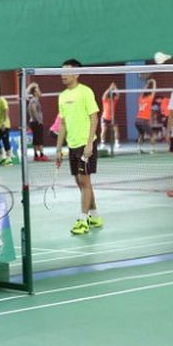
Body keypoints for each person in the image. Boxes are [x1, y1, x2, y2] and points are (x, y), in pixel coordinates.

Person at [55, 59, 103, 235]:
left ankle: (83, 220)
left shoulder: (85, 92)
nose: (62, 75)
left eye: (66, 71)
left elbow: (94, 118)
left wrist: (90, 143)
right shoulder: (62, 96)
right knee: (80, 181)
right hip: (72, 144)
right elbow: (63, 124)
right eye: (61, 71)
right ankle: (95, 215)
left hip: (85, 144)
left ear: (76, 74)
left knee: (84, 181)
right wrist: (59, 149)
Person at [26, 82, 48, 161]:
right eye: (38, 90)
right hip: (36, 122)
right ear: (35, 93)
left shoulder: (33, 100)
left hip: (33, 122)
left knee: (36, 139)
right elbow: (33, 109)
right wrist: (38, 120)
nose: (40, 91)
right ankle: (41, 155)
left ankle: (36, 155)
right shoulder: (34, 100)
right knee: (39, 139)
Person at [136, 78, 156, 154]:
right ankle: (152, 150)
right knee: (152, 135)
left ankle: (139, 149)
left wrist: (147, 84)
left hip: (137, 120)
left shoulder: (140, 98)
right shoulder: (149, 98)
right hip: (143, 120)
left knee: (141, 135)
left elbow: (145, 90)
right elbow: (154, 90)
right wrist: (153, 82)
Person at [99, 82, 120, 150]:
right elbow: (104, 94)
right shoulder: (105, 100)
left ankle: (117, 143)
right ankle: (102, 144)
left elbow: (118, 94)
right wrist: (110, 88)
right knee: (103, 131)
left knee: (116, 130)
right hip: (105, 118)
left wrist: (115, 87)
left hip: (112, 118)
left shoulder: (114, 101)